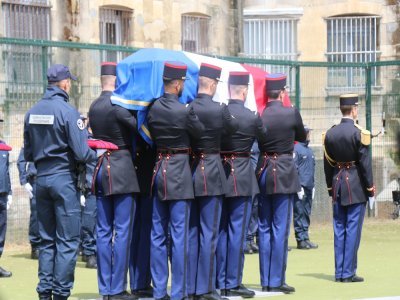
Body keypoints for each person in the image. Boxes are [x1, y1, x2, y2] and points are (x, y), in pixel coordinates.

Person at [23, 64, 96, 300]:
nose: (71, 85)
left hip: (41, 179)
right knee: (67, 240)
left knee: (46, 240)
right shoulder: (68, 112)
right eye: (70, 82)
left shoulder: (31, 112)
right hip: (64, 180)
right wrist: (100, 154)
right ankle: (61, 294)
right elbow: (83, 153)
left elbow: (30, 152)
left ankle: (45, 293)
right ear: (64, 84)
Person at [147, 61, 204, 300]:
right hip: (180, 171)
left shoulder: (153, 109)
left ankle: (160, 291)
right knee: (179, 235)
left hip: (159, 169)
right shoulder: (185, 111)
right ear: (179, 84)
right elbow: (200, 132)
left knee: (157, 234)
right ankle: (179, 291)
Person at [89, 62, 139, 300]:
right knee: (122, 232)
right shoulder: (118, 106)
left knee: (102, 231)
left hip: (101, 169)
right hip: (121, 170)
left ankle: (104, 288)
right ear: (117, 81)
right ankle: (117, 288)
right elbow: (138, 128)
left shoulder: (94, 106)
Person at [189, 63, 237, 300]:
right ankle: (206, 287)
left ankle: (191, 285)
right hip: (214, 171)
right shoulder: (220, 109)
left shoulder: (188, 107)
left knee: (192, 232)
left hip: (191, 171)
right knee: (210, 233)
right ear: (214, 84)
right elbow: (234, 129)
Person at [217, 71, 267, 298]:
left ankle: (220, 279)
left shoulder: (220, 113)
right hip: (244, 176)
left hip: (221, 174)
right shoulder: (252, 117)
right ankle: (232, 281)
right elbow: (263, 137)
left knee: (221, 230)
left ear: (229, 89)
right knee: (238, 231)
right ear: (244, 91)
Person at [257, 73, 306, 294]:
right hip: (285, 171)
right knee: (280, 228)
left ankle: (266, 279)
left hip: (265, 170)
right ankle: (276, 279)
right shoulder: (290, 112)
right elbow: (303, 137)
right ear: (283, 92)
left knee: (265, 227)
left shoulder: (261, 114)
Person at [323, 93, 375, 283]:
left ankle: (339, 272)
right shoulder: (359, 133)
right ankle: (348, 272)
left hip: (337, 184)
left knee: (339, 228)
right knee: (353, 228)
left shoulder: (330, 133)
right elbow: (365, 164)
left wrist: (330, 188)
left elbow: (327, 164)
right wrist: (370, 188)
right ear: (354, 109)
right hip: (355, 186)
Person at [129, 132, 156, 298]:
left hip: (133, 174)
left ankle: (137, 281)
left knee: (137, 230)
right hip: (147, 175)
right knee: (146, 230)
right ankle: (140, 282)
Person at [293, 126, 318, 250]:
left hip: (309, 186)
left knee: (306, 212)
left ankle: (306, 237)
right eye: (308, 133)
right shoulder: (296, 149)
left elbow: (312, 169)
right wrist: (298, 187)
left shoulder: (309, 150)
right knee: (299, 212)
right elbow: (294, 168)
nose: (309, 135)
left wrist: (313, 186)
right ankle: (300, 239)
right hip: (301, 187)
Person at [79, 115, 97, 269]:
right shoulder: (85, 141)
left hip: (103, 185)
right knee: (89, 221)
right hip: (90, 186)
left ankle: (94, 251)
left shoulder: (103, 141)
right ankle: (89, 252)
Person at [17, 147, 40, 259]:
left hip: (52, 178)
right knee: (36, 215)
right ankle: (36, 247)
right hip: (36, 180)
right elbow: (22, 160)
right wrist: (24, 181)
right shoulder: (33, 133)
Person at [0, 126, 12, 278]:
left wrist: (9, 192)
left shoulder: (3, 147)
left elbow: (6, 171)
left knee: (1, 231)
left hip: (2, 195)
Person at [244, 141, 260, 254]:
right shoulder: (247, 141)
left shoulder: (258, 142)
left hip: (257, 178)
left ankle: (250, 238)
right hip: (247, 178)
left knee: (255, 210)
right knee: (247, 209)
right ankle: (245, 240)